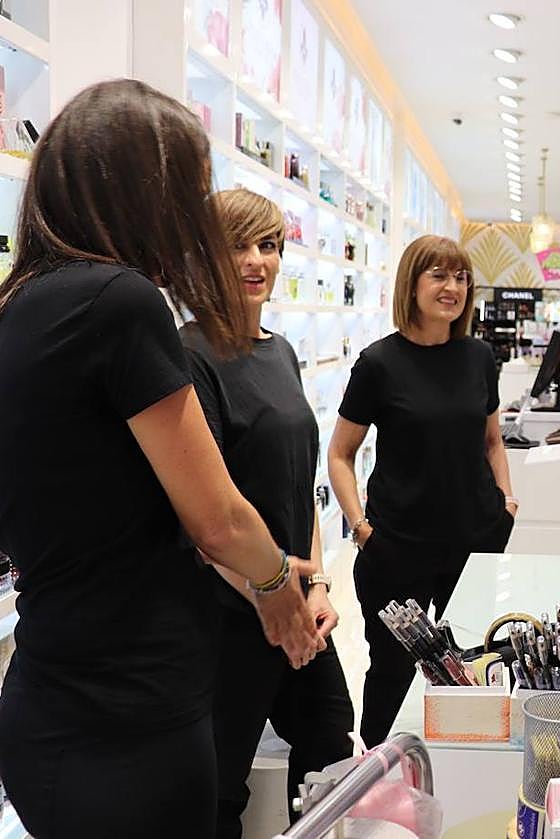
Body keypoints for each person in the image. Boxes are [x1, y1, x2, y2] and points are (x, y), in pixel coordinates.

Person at [0, 79, 321, 839]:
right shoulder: (121, 302)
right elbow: (215, 516)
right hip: (131, 718)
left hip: (49, 695)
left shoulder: (19, 304)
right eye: (188, 190)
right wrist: (277, 584)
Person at [181, 189, 354, 837]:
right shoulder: (189, 356)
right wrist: (270, 594)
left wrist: (314, 586)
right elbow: (205, 510)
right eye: (237, 245)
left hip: (294, 606)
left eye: (270, 245)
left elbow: (299, 482)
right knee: (218, 788)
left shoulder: (280, 351)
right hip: (229, 615)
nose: (256, 261)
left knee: (332, 754)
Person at [329, 235, 517, 746]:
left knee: (473, 670)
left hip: (474, 540)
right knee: (391, 674)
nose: (452, 287)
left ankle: (462, 783)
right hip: (397, 548)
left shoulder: (479, 358)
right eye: (438, 275)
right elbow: (340, 455)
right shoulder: (378, 363)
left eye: (460, 278)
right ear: (411, 285)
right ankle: (373, 781)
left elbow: (492, 440)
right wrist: (362, 528)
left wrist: (506, 501)